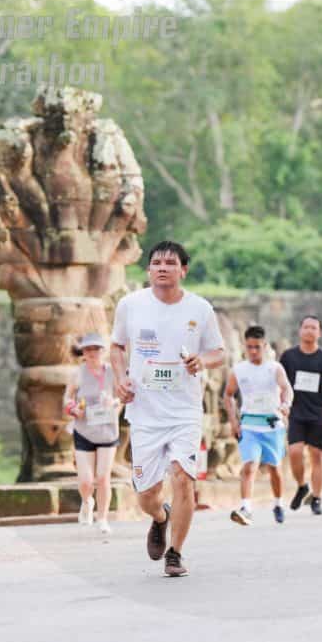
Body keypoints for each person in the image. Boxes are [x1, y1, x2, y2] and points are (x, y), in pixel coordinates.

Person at [110, 241, 225, 577]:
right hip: (145, 412)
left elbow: (219, 353)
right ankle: (160, 518)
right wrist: (121, 379)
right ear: (148, 270)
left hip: (184, 411)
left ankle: (175, 553)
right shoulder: (131, 305)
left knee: (183, 479)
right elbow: (116, 347)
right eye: (156, 262)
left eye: (170, 263)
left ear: (182, 270)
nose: (162, 267)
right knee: (146, 494)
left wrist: (201, 360)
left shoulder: (200, 309)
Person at [223, 325, 293, 526]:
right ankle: (246, 508)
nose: (253, 351)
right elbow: (228, 395)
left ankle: (278, 503)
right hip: (249, 426)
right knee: (249, 465)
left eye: (257, 347)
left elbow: (286, 388)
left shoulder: (275, 368)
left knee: (274, 469)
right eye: (249, 347)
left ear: (265, 346)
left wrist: (286, 404)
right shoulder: (239, 370)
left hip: (272, 425)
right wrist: (234, 420)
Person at [279, 316, 322, 516]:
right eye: (306, 327)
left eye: (314, 328)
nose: (309, 331)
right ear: (299, 330)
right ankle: (302, 485)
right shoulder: (288, 357)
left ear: (319, 333)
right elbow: (280, 383)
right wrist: (281, 406)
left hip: (319, 414)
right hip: (296, 413)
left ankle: (317, 497)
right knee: (295, 452)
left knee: (316, 457)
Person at [63, 333, 122, 534]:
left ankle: (103, 518)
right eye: (88, 349)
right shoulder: (77, 373)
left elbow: (121, 397)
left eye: (96, 349)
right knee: (86, 480)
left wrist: (115, 404)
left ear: (103, 351)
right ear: (83, 353)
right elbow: (67, 398)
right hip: (84, 429)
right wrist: (72, 409)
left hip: (108, 430)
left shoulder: (113, 372)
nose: (92, 353)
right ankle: (87, 501)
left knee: (103, 477)